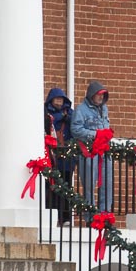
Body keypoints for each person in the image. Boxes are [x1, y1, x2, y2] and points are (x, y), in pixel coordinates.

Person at [70, 81, 112, 224]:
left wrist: (106, 135)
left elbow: (106, 125)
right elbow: (76, 130)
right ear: (92, 95)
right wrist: (96, 135)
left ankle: (104, 214)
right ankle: (91, 216)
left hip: (105, 152)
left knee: (107, 183)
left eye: (103, 95)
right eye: (99, 95)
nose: (101, 98)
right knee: (89, 184)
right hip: (89, 152)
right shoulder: (81, 110)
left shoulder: (104, 109)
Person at [44, 87, 75, 227]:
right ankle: (51, 216)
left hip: (66, 159)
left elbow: (75, 124)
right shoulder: (46, 113)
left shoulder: (70, 113)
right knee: (51, 188)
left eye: (61, 99)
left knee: (66, 188)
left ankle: (66, 217)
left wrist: (67, 117)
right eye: (57, 98)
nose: (59, 101)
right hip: (51, 156)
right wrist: (59, 118)